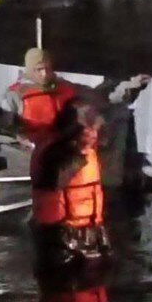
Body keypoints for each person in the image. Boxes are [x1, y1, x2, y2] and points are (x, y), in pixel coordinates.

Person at [30, 98, 111, 270]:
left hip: (90, 231)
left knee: (95, 284)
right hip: (60, 234)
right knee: (64, 286)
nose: (94, 133)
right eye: (88, 129)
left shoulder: (88, 149)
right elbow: (54, 180)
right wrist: (79, 151)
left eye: (95, 129)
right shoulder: (54, 150)